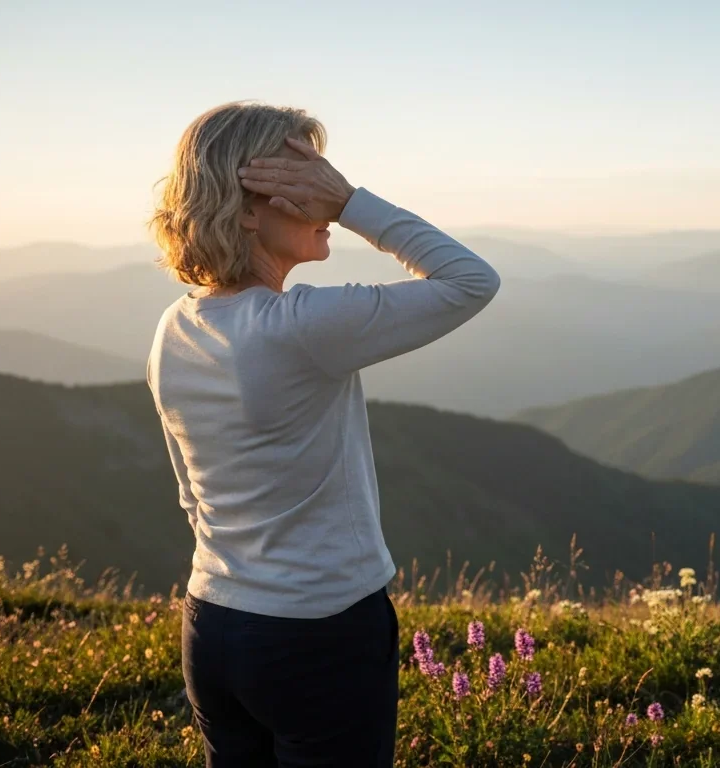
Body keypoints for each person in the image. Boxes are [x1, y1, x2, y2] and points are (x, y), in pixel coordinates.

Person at [146, 101, 500, 767]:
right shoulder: (297, 327)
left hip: (213, 621)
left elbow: (190, 494)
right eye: (307, 180)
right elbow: (470, 281)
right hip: (319, 634)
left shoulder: (176, 325)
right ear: (251, 208)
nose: (323, 195)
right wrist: (352, 203)